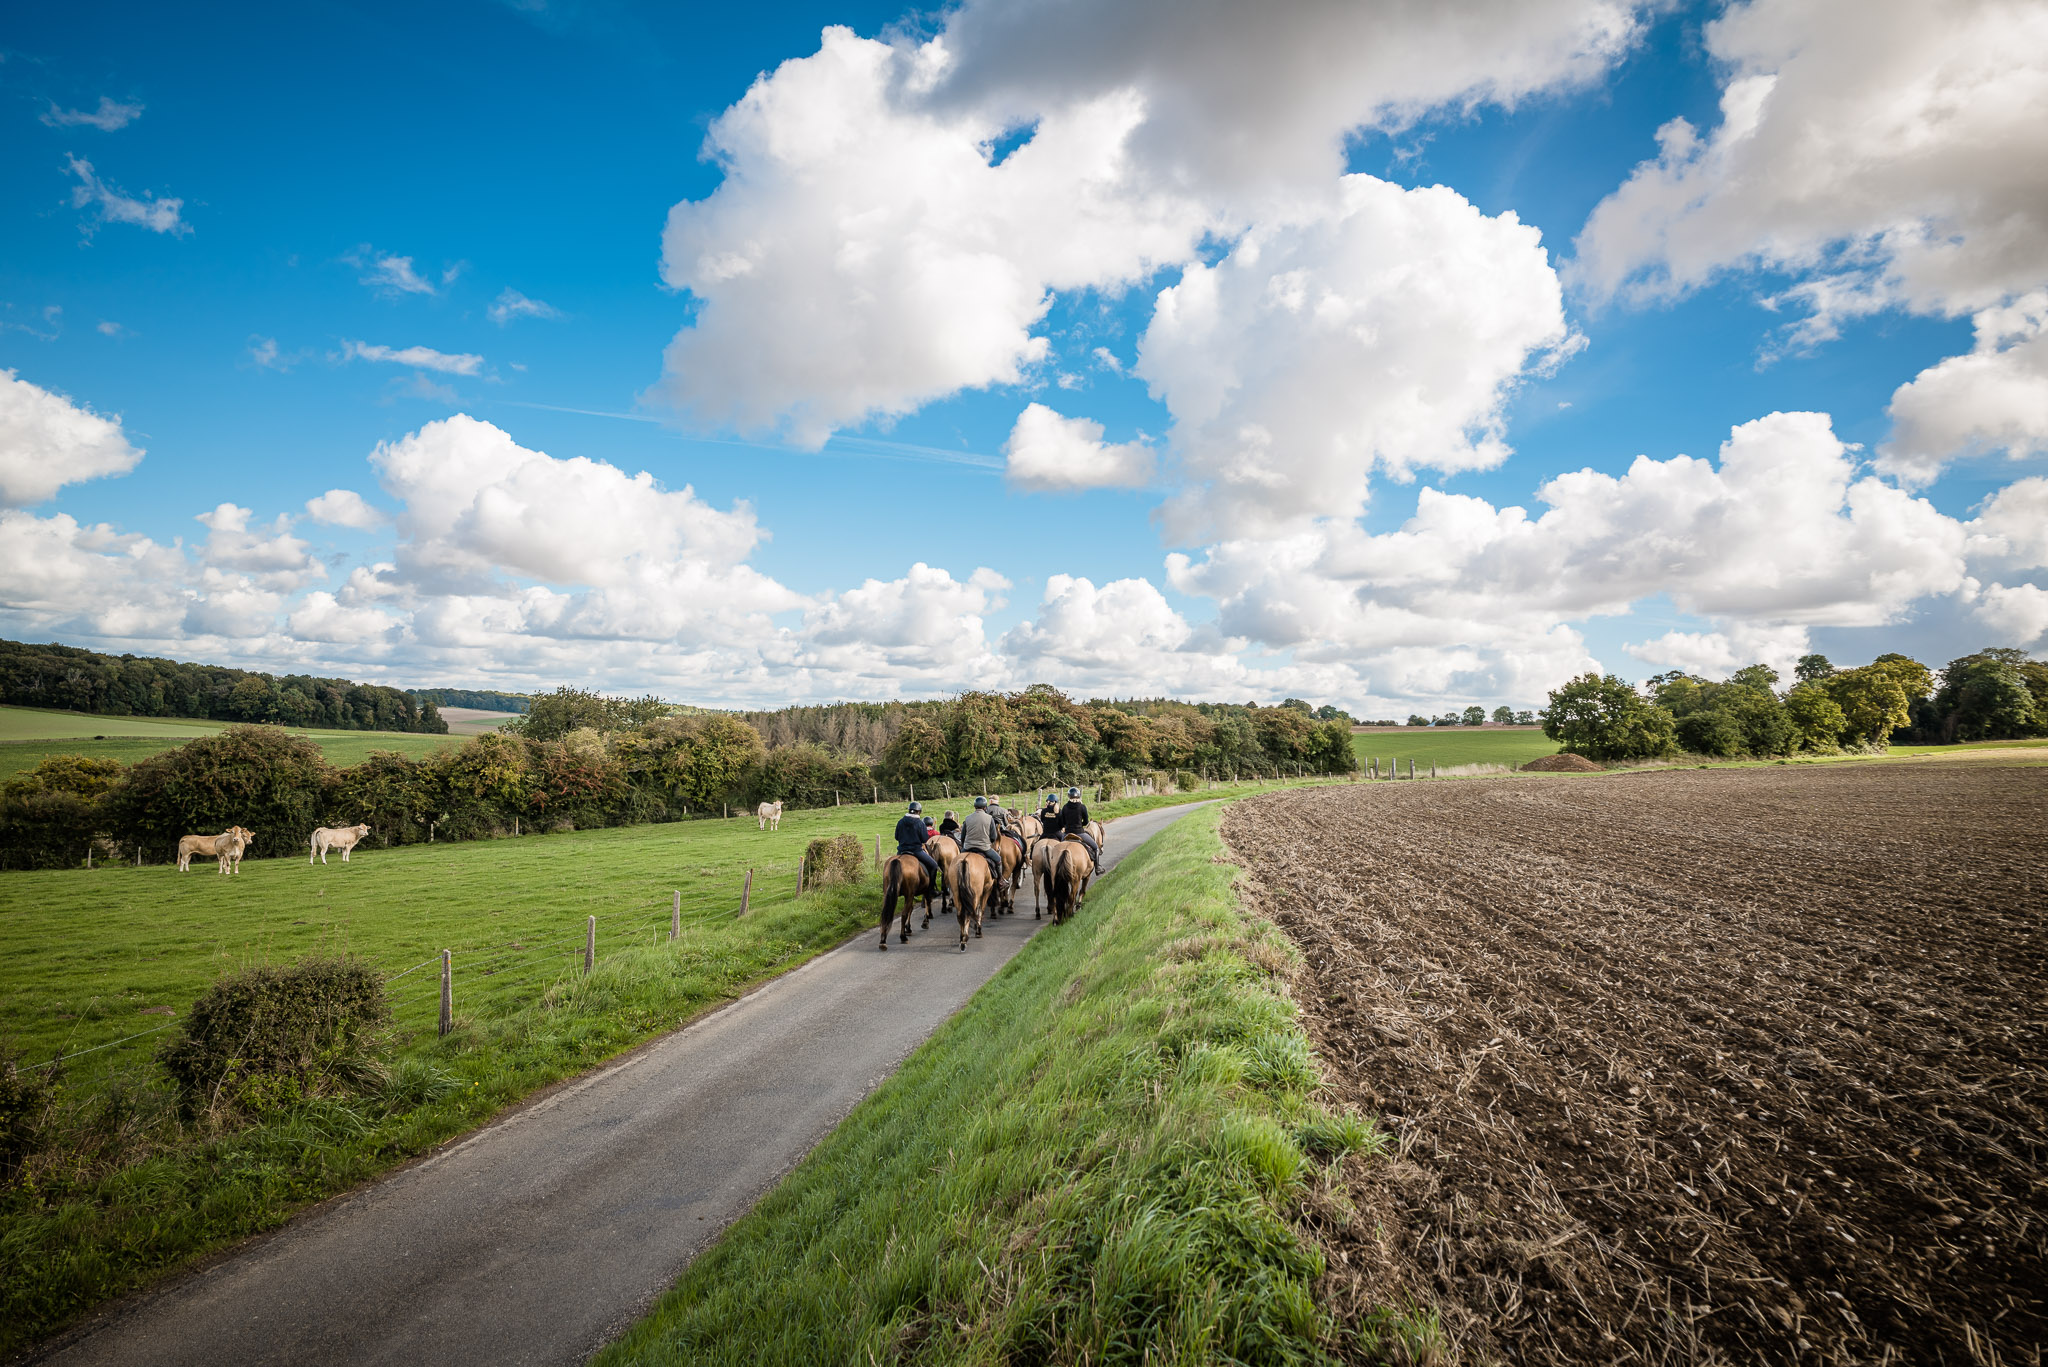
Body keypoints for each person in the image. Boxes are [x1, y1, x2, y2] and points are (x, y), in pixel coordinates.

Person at [893, 801, 940, 890]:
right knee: (934, 865)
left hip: (901, 851)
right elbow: (924, 839)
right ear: (919, 811)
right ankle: (931, 890)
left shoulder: (900, 822)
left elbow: (896, 837)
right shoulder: (920, 823)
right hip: (916, 851)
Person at [959, 795, 1003, 883]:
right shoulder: (990, 818)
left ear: (975, 806)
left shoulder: (967, 818)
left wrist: (964, 845)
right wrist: (989, 843)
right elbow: (993, 837)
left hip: (968, 847)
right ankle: (1000, 881)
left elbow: (962, 836)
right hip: (984, 848)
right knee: (998, 859)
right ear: (985, 807)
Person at [1058, 785, 1098, 870]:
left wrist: (1067, 825)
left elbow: (1062, 822)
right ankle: (1097, 867)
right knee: (1095, 847)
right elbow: (1086, 821)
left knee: (1058, 849)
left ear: (1069, 796)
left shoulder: (1065, 807)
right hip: (1080, 832)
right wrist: (1080, 824)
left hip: (1067, 833)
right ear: (1078, 796)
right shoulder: (1082, 807)